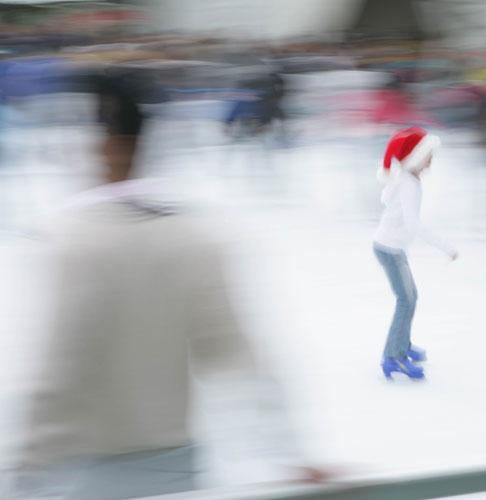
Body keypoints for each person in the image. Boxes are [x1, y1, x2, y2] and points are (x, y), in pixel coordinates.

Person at [3, 69, 320, 500]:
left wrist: (22, 471)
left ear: (107, 147)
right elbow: (239, 355)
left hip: (91, 473)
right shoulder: (193, 235)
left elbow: (61, 372)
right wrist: (292, 453)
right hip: (177, 469)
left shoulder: (78, 240)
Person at [373, 126, 458, 380]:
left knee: (409, 298)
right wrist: (446, 246)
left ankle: (403, 344)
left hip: (390, 246)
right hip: (390, 249)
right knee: (406, 300)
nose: (432, 159)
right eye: (428, 154)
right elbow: (413, 225)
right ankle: (393, 356)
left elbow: (388, 200)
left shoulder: (403, 178)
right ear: (416, 158)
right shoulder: (409, 184)